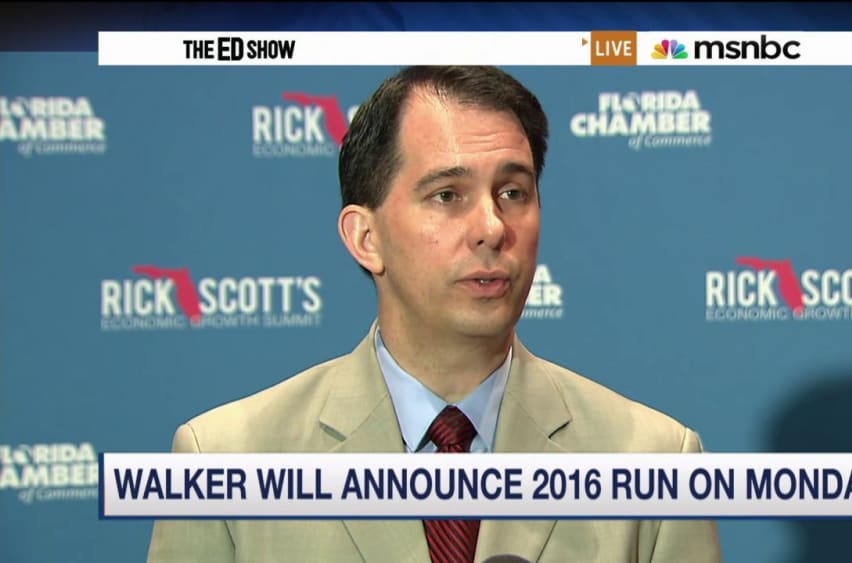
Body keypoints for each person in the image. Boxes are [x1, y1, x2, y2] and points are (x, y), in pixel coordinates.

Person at [147, 66, 723, 563]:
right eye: (448, 195)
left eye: (513, 193)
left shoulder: (654, 461)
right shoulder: (222, 461)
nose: (492, 228)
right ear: (366, 237)